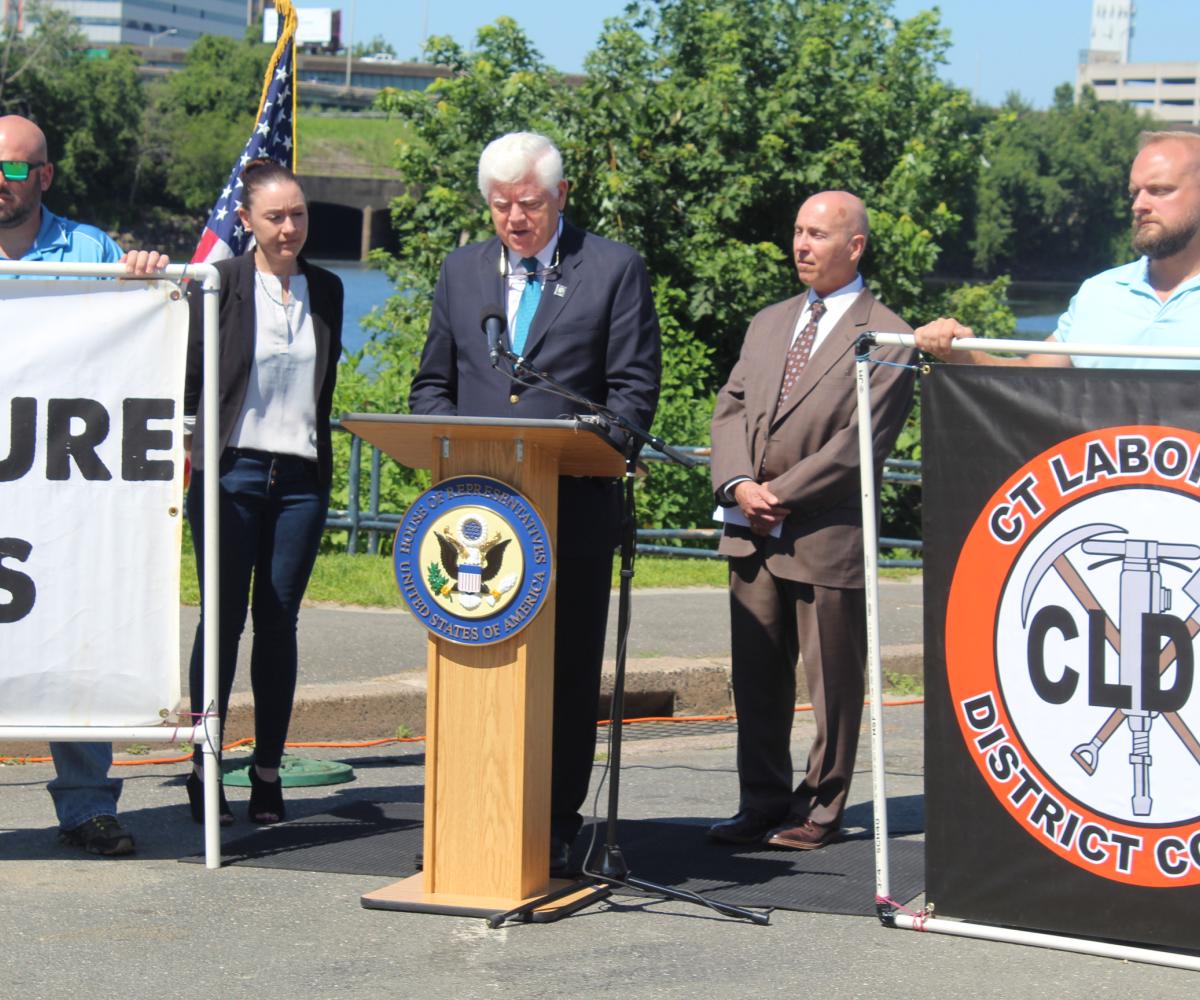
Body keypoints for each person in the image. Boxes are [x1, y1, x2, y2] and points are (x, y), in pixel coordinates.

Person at [409, 131, 661, 873]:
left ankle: (552, 821)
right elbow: (433, 383)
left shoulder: (612, 270)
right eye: (499, 205)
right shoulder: (460, 272)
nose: (514, 219)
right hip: (473, 514)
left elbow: (632, 392)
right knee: (475, 659)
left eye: (528, 204)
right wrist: (443, 438)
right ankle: (466, 810)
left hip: (572, 508)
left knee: (566, 670)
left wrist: (589, 441)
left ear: (561, 197)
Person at [708, 191, 916, 851]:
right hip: (752, 531)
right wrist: (740, 484)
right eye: (798, 231)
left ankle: (819, 811)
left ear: (854, 245)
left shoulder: (889, 334)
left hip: (826, 535)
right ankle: (760, 802)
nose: (802, 245)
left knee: (833, 687)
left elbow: (861, 443)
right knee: (758, 679)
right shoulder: (769, 323)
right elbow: (732, 406)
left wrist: (782, 493)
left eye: (818, 234)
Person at [0, 114, 168, 857]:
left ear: (43, 178)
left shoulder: (90, 249)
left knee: (70, 630)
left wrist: (142, 282)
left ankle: (87, 805)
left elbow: (127, 343)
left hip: (61, 474)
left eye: (11, 172)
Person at [183, 159, 343, 826]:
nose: (290, 228)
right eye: (276, 216)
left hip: (299, 479)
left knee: (278, 622)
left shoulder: (327, 289)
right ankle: (204, 765)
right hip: (231, 475)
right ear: (245, 220)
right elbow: (185, 373)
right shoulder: (217, 283)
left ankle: (268, 770)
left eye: (299, 214)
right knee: (221, 621)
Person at [915, 131, 1200, 368]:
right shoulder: (1099, 292)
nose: (1139, 205)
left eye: (1160, 190)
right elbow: (1033, 381)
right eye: (1134, 192)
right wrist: (963, 354)